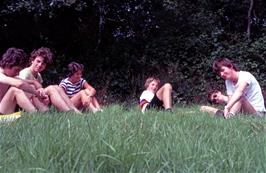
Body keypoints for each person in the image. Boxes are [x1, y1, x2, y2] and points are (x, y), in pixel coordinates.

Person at [19, 47, 81, 113]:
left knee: (56, 87)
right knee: (51, 88)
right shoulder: (25, 72)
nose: (40, 65)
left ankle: (74, 110)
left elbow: (40, 90)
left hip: (36, 99)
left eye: (43, 64)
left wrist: (44, 96)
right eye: (38, 61)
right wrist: (33, 82)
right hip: (26, 102)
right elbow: (19, 84)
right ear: (32, 60)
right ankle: (67, 112)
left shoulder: (39, 75)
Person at [0, 47, 47, 114]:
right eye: (16, 70)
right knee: (14, 90)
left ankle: (45, 112)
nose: (17, 73)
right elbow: (20, 84)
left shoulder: (8, 75)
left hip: (3, 108)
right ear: (8, 64)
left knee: (30, 88)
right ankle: (35, 115)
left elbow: (23, 82)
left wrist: (38, 89)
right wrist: (36, 93)